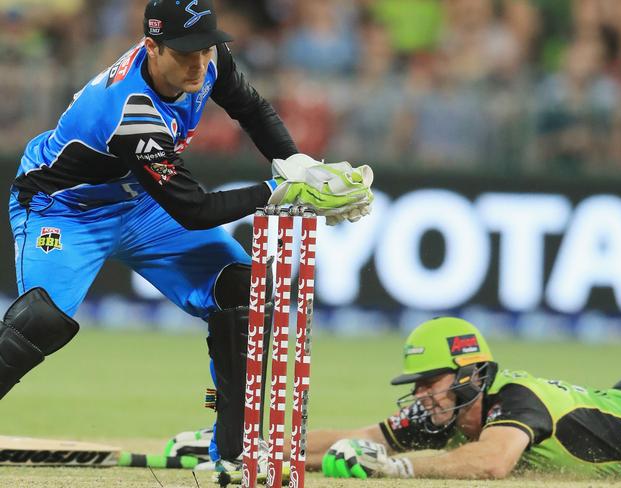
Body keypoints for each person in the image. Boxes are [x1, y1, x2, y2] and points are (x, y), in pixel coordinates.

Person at [0, 0, 372, 475]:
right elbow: (195, 210)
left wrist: (296, 163)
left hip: (141, 205)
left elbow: (252, 108)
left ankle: (233, 455)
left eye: (206, 49)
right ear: (150, 47)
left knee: (242, 289)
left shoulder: (208, 59)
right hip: (65, 211)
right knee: (41, 321)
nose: (199, 63)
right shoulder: (129, 111)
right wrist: (282, 192)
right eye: (184, 53)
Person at [314, 317, 621, 479]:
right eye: (417, 384)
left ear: (469, 375)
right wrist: (267, 453)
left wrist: (394, 467)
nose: (421, 394)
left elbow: (492, 461)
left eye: (430, 381)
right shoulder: (443, 409)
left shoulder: (518, 398)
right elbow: (362, 439)